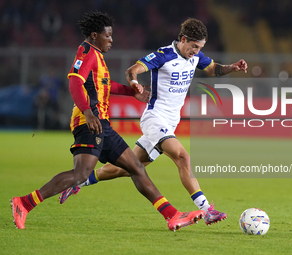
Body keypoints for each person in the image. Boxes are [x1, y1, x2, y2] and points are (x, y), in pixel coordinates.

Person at [10, 11, 205, 231]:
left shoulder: (96, 54)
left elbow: (104, 85)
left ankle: (173, 215)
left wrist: (132, 93)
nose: (111, 40)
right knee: (80, 173)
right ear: (94, 35)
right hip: (89, 123)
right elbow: (74, 82)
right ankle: (24, 203)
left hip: (102, 125)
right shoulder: (86, 53)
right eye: (108, 36)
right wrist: (87, 112)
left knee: (137, 168)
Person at [59, 17, 248, 226]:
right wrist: (134, 84)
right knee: (183, 157)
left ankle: (79, 182)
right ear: (183, 39)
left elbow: (213, 69)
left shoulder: (196, 56)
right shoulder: (164, 55)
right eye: (194, 46)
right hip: (155, 119)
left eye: (200, 47)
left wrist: (233, 67)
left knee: (128, 168)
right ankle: (207, 210)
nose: (196, 51)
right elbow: (132, 70)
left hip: (170, 122)